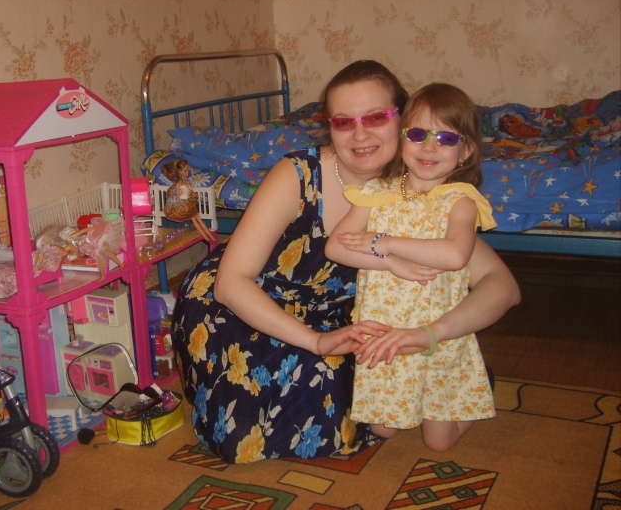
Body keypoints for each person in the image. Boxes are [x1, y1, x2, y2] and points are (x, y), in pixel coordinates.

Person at [171, 60, 521, 464]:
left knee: (341, 400)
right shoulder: (298, 175)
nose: (360, 134)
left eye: (375, 117)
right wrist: (314, 342)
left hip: (337, 320)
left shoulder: (422, 193)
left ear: (403, 121)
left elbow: (502, 286)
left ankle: (455, 384)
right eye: (343, 122)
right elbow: (231, 283)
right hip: (241, 306)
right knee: (240, 434)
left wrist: (435, 333)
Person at [326, 83, 497, 453]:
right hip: (384, 329)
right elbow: (336, 247)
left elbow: (455, 256)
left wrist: (385, 242)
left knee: (438, 443)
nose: (429, 147)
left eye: (446, 138)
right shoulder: (376, 192)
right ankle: (441, 395)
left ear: (466, 151)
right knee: (382, 428)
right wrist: (391, 263)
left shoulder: (459, 200)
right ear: (403, 138)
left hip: (434, 334)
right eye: (418, 134)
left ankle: (473, 393)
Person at [161, 158, 216, 242]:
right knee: (195, 220)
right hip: (185, 205)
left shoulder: (187, 181)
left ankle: (210, 236)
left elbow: (189, 192)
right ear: (179, 172)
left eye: (187, 170)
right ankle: (206, 237)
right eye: (185, 171)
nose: (188, 173)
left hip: (190, 203)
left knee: (199, 220)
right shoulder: (178, 184)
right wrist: (184, 206)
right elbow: (178, 198)